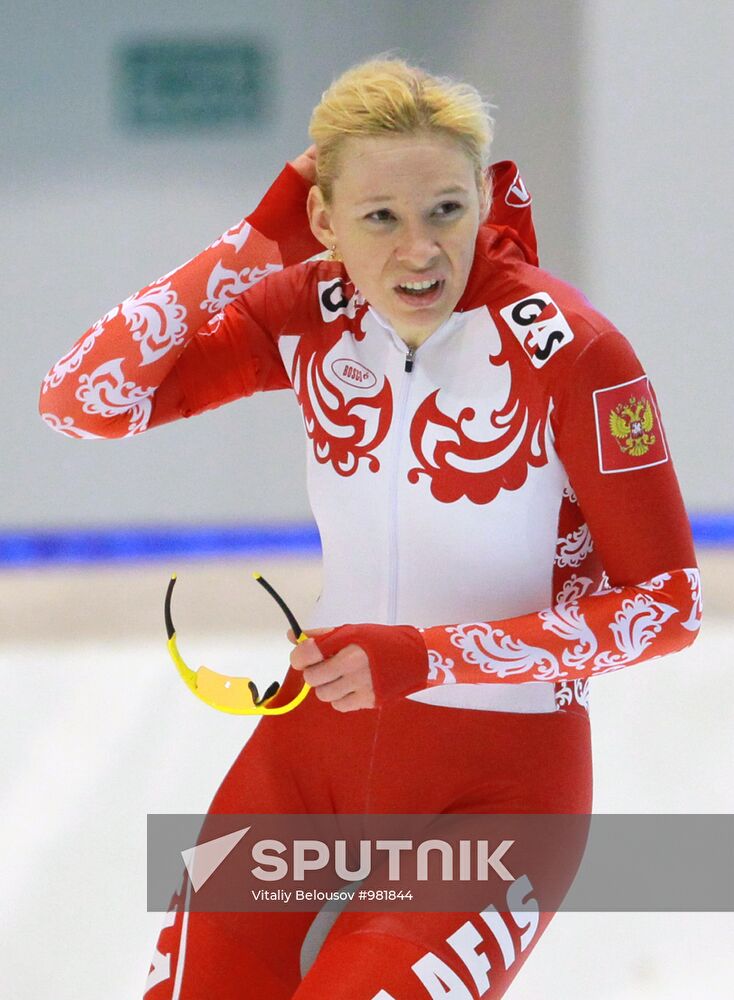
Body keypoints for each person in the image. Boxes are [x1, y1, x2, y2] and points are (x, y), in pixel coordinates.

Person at [40, 57, 701, 999]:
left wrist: (423, 657)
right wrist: (249, 247)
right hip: (308, 767)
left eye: (444, 210)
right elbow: (80, 402)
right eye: (379, 218)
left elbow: (668, 607)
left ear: (483, 195)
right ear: (323, 221)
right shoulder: (314, 308)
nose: (418, 252)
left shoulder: (577, 353)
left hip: (498, 794)